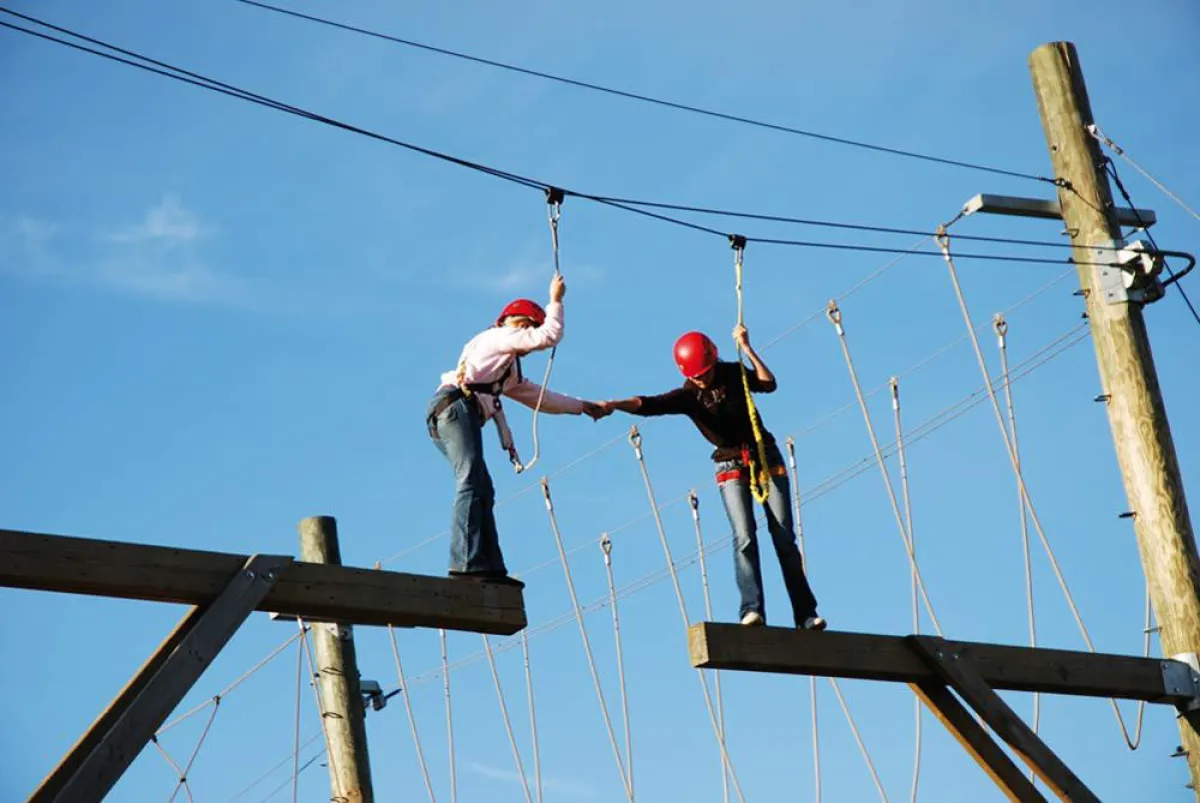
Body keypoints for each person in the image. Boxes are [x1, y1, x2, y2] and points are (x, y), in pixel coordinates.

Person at [600, 325, 826, 630]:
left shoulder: (733, 374)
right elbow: (649, 404)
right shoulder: (688, 396)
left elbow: (768, 384)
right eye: (696, 376)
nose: (702, 380)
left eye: (706, 373)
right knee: (744, 536)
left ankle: (806, 614)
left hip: (764, 455)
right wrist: (614, 405)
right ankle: (751, 609)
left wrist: (747, 347)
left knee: (784, 537)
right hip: (729, 463)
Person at [427, 274, 608, 588]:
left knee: (482, 486)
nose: (527, 344)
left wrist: (582, 406)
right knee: (471, 479)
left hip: (455, 412)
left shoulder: (504, 367)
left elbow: (539, 397)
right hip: (456, 409)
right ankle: (465, 563)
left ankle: (488, 568)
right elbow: (549, 336)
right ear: (519, 323)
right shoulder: (497, 338)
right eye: (528, 330)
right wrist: (556, 300)